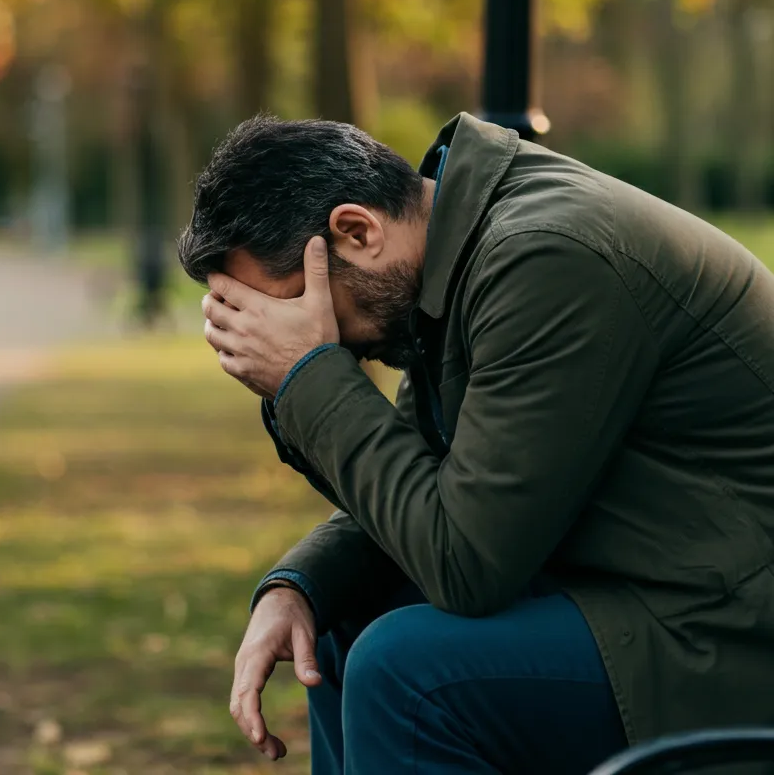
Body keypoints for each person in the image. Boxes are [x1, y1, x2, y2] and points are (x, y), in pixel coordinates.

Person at [176, 112, 774, 775]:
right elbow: (430, 478)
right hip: (659, 588)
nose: (321, 336)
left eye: (304, 307)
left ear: (357, 231)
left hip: (730, 630)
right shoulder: (459, 259)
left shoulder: (546, 258)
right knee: (341, 625)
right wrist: (301, 586)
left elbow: (466, 563)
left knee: (407, 673)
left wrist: (306, 376)